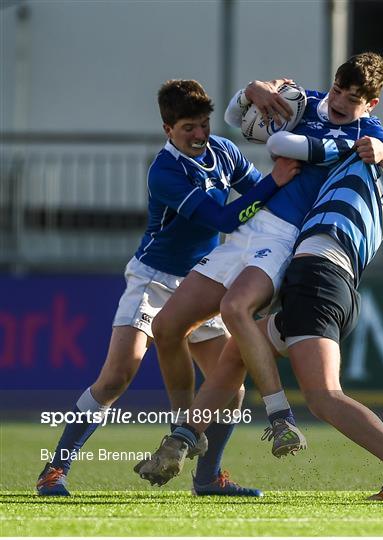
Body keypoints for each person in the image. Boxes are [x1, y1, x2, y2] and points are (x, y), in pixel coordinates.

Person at [135, 54, 383, 497]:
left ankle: (289, 421)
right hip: (310, 272)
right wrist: (253, 90)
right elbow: (238, 119)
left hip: (315, 268)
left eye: (352, 99)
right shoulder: (313, 107)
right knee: (207, 341)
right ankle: (181, 436)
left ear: (372, 104)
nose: (338, 104)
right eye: (336, 91)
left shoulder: (364, 144)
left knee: (321, 393)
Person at [35, 79, 301, 497]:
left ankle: (208, 478)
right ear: (167, 129)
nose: (198, 135)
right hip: (154, 278)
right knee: (117, 376)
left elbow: (257, 198)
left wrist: (285, 185)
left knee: (231, 389)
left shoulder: (225, 152)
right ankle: (55, 469)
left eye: (203, 125)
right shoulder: (164, 171)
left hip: (204, 279)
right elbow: (225, 220)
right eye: (187, 128)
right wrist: (277, 178)